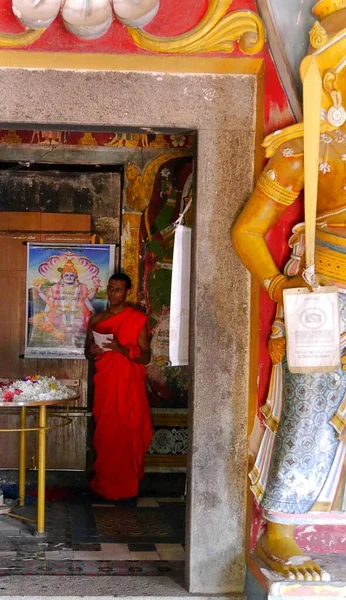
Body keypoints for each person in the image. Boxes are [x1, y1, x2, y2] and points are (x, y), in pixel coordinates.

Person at [233, 0, 346, 582]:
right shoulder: (308, 151)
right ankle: (280, 527)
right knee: (311, 410)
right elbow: (246, 232)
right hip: (325, 291)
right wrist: (281, 286)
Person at [85, 272, 152, 500]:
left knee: (125, 432)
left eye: (118, 290)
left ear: (127, 292)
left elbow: (146, 357)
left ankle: (125, 485)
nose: (113, 294)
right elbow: (87, 352)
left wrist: (121, 349)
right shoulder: (97, 320)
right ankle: (105, 481)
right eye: (111, 289)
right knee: (106, 433)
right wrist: (92, 351)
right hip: (105, 383)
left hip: (128, 386)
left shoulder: (136, 319)